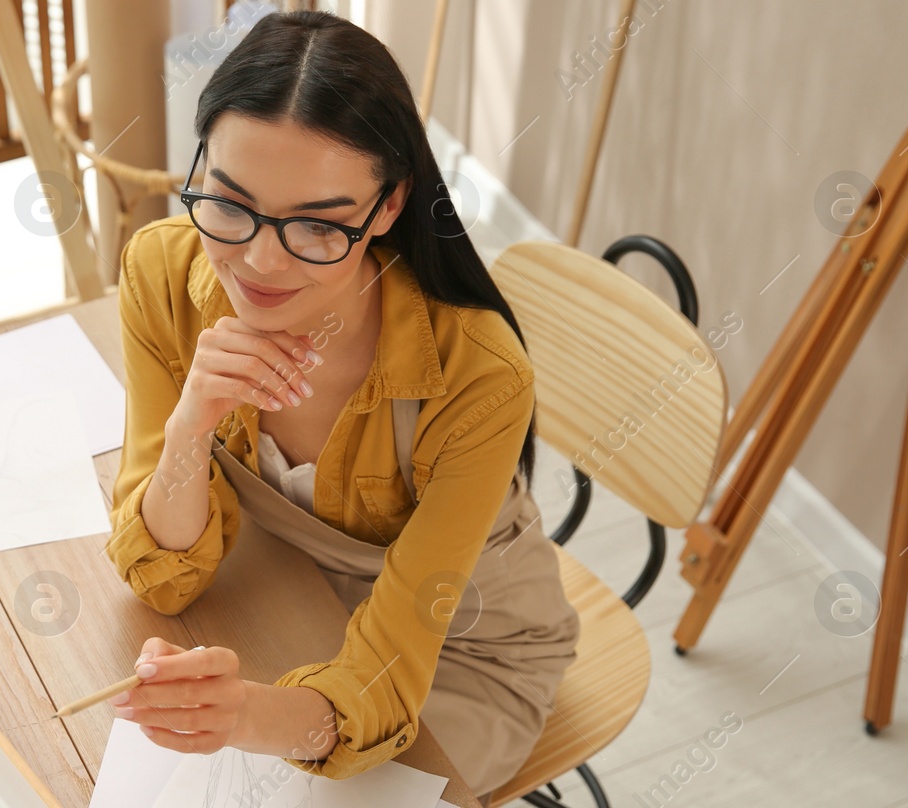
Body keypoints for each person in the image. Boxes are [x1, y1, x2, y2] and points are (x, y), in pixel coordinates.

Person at [101, 9, 580, 801]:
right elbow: (164, 582)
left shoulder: (478, 375)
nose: (256, 261)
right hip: (295, 583)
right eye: (229, 203)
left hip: (462, 650)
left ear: (388, 208)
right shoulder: (163, 273)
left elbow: (390, 677)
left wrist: (246, 718)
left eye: (318, 227)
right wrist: (191, 421)